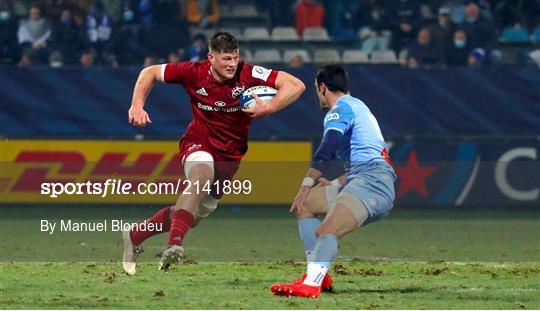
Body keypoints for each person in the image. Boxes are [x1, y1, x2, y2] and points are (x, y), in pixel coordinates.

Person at [122, 31, 306, 275]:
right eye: (226, 59)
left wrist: (269, 107)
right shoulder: (192, 72)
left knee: (192, 217)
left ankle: (135, 235)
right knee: (200, 178)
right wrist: (137, 105)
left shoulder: (248, 73)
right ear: (211, 57)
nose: (232, 64)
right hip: (198, 142)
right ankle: (174, 246)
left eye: (235, 58)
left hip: (230, 157)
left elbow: (295, 84)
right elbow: (150, 72)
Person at [270, 64, 395, 298]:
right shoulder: (359, 106)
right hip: (366, 180)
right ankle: (318, 275)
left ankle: (311, 285)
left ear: (323, 87)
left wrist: (305, 185)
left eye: (317, 89)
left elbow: (327, 149)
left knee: (326, 229)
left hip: (372, 185)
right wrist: (336, 184)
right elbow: (367, 162)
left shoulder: (340, 109)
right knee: (307, 205)